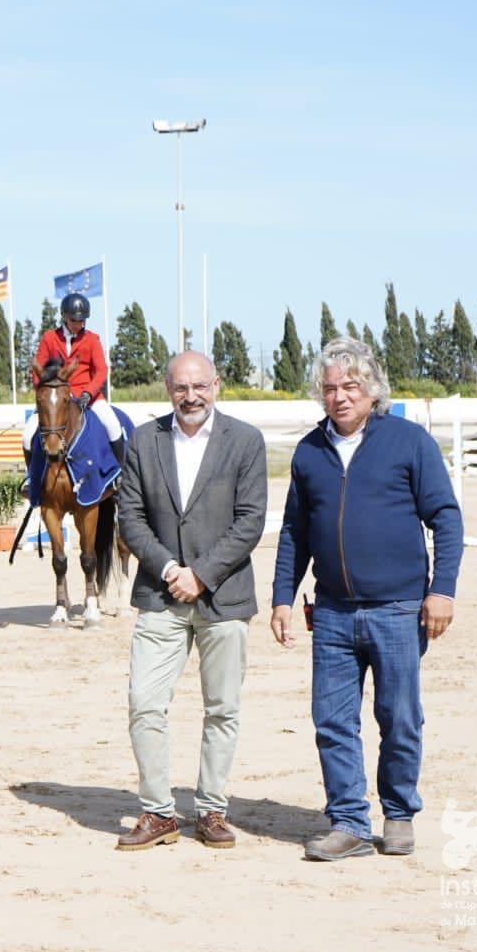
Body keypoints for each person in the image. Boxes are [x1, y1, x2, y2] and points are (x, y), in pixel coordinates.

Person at [270, 337, 463, 862]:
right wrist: (282, 597)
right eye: (330, 388)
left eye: (350, 386)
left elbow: (445, 517)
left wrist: (441, 590)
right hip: (330, 611)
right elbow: (294, 532)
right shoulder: (310, 451)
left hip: (400, 610)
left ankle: (398, 814)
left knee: (399, 717)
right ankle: (350, 822)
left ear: (372, 390)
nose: (340, 397)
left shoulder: (408, 443)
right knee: (331, 721)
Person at [113, 351, 269, 851]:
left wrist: (201, 575)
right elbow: (130, 516)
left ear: (216, 385)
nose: (191, 396)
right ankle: (159, 812)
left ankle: (211, 809)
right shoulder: (143, 439)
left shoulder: (245, 441)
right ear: (168, 389)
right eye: (181, 387)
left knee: (222, 708)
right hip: (160, 594)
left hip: (223, 596)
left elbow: (250, 520)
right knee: (144, 704)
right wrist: (168, 569)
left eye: (199, 386)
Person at [21, 293, 124, 465]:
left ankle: (123, 474)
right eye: (74, 320)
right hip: (56, 398)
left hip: (88, 396)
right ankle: (32, 478)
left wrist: (88, 393)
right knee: (27, 436)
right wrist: (43, 393)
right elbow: (37, 370)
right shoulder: (49, 338)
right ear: (64, 317)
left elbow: (101, 370)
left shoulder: (92, 339)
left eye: (82, 320)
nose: (78, 324)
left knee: (113, 426)